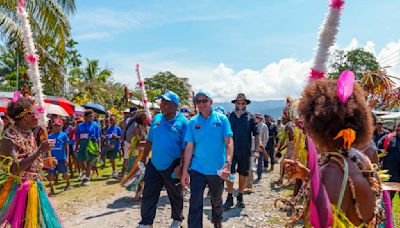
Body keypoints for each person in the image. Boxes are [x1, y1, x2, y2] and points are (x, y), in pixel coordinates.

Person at [282, 76, 385, 226]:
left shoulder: (330, 173)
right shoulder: (358, 158)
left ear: (318, 127)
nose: (304, 131)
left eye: (306, 125)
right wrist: (307, 175)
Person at [0, 97, 63, 227]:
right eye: (33, 113)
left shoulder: (28, 133)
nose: (37, 116)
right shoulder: (9, 138)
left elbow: (30, 160)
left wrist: (43, 163)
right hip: (19, 191)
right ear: (24, 116)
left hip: (34, 187)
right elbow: (15, 168)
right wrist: (40, 150)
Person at [181, 90, 233, 228]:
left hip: (217, 169)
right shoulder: (192, 122)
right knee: (195, 202)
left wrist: (228, 164)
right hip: (197, 169)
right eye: (198, 101)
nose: (202, 104)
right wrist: (185, 171)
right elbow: (189, 147)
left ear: (211, 101)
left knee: (216, 201)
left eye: (205, 100)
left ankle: (217, 222)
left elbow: (229, 142)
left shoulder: (222, 120)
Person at [138, 91, 188, 228]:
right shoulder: (157, 118)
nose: (162, 106)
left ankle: (177, 219)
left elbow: (185, 148)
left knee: (175, 194)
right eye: (162, 103)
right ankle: (146, 222)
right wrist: (144, 158)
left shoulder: (183, 123)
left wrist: (182, 166)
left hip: (172, 164)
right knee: (149, 193)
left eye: (166, 103)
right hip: (154, 163)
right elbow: (150, 140)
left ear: (174, 105)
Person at [225, 93, 259, 209]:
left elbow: (256, 134)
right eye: (238, 103)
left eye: (242, 103)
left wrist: (257, 150)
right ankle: (229, 196)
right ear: (235, 103)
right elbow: (223, 132)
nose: (240, 105)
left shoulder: (251, 117)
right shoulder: (229, 115)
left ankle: (240, 196)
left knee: (243, 174)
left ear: (246, 104)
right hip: (231, 150)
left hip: (245, 150)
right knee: (230, 173)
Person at [121, 111, 150, 200]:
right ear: (141, 119)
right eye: (145, 117)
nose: (147, 119)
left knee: (145, 175)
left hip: (148, 153)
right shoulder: (137, 129)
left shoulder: (148, 128)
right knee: (141, 174)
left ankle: (141, 192)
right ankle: (138, 193)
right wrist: (147, 143)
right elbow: (135, 144)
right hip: (140, 155)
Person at [75, 110, 101, 186]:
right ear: (85, 117)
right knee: (79, 160)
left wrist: (99, 147)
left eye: (92, 116)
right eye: (90, 116)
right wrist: (76, 146)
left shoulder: (95, 125)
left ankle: (87, 177)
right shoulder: (80, 125)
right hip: (83, 144)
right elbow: (78, 137)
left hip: (91, 144)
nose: (92, 118)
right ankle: (87, 172)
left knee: (88, 162)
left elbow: (98, 137)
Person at [48, 118, 72, 194]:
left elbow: (66, 147)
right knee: (51, 173)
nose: (56, 127)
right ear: (52, 126)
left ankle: (68, 184)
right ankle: (51, 188)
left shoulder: (64, 135)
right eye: (55, 126)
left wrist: (67, 157)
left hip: (61, 157)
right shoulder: (49, 136)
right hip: (52, 158)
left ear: (61, 126)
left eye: (58, 126)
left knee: (64, 172)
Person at [120, 107, 137, 176]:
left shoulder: (139, 120)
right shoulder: (128, 120)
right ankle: (123, 172)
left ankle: (133, 172)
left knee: (134, 158)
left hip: (136, 143)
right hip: (127, 142)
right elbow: (124, 130)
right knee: (126, 158)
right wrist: (123, 141)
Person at [255, 113, 269, 180]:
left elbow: (266, 137)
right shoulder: (253, 125)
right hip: (253, 147)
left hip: (261, 147)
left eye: (257, 117)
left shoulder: (264, 126)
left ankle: (259, 174)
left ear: (260, 119)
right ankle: (251, 175)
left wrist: (263, 146)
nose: (256, 119)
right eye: (256, 117)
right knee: (252, 161)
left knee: (260, 161)